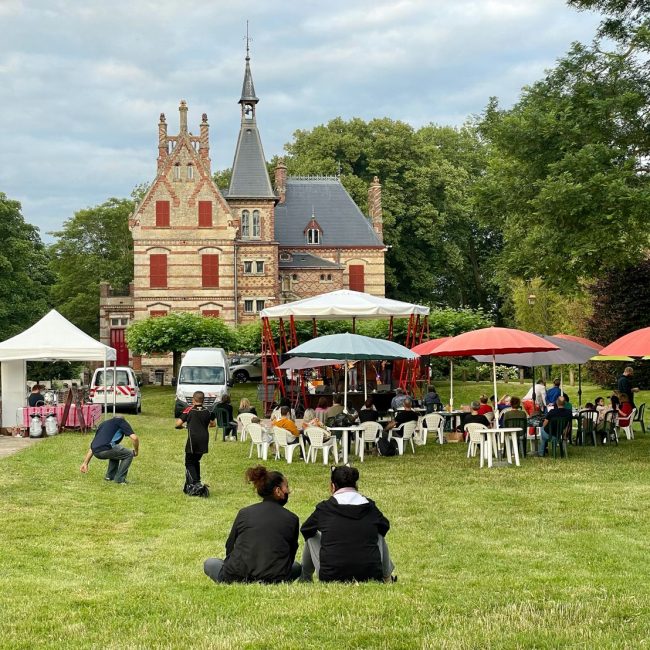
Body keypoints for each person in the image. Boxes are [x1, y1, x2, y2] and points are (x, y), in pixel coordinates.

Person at [204, 466, 300, 583]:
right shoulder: (292, 518)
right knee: (297, 567)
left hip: (237, 575)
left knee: (210, 563)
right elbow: (291, 553)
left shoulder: (245, 513)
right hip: (275, 577)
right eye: (287, 487)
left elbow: (230, 545)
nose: (288, 491)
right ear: (278, 491)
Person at [300, 466, 395, 583]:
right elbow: (384, 526)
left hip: (331, 575)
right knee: (378, 532)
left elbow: (306, 529)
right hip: (370, 574)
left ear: (332, 486)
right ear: (356, 486)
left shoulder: (325, 508)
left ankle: (305, 578)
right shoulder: (370, 506)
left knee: (311, 536)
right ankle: (387, 577)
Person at [79, 416, 139, 483]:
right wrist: (136, 451)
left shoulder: (103, 424)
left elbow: (94, 445)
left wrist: (85, 463)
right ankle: (120, 480)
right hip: (106, 449)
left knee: (116, 452)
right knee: (129, 454)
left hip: (96, 452)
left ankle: (110, 477)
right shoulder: (121, 421)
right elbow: (134, 438)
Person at [175, 391, 214, 494]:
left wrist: (183, 426)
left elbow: (178, 423)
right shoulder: (207, 411)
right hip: (204, 438)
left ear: (193, 399)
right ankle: (193, 483)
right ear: (203, 400)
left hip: (194, 439)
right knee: (196, 461)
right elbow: (213, 424)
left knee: (189, 462)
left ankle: (196, 484)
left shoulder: (189, 410)